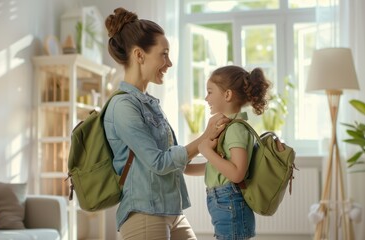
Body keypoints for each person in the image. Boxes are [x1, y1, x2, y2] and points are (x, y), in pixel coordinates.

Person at [103, 7, 230, 240]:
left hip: (171, 210)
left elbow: (177, 163)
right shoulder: (123, 107)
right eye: (164, 54)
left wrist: (226, 166)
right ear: (139, 55)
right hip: (144, 214)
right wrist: (205, 136)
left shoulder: (150, 104)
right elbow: (159, 163)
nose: (169, 62)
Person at [185, 65, 271, 240]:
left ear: (227, 95)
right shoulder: (228, 127)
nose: (205, 97)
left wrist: (205, 150)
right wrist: (184, 167)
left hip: (229, 201)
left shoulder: (235, 129)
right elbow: (219, 167)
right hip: (224, 202)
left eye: (210, 92)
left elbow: (236, 173)